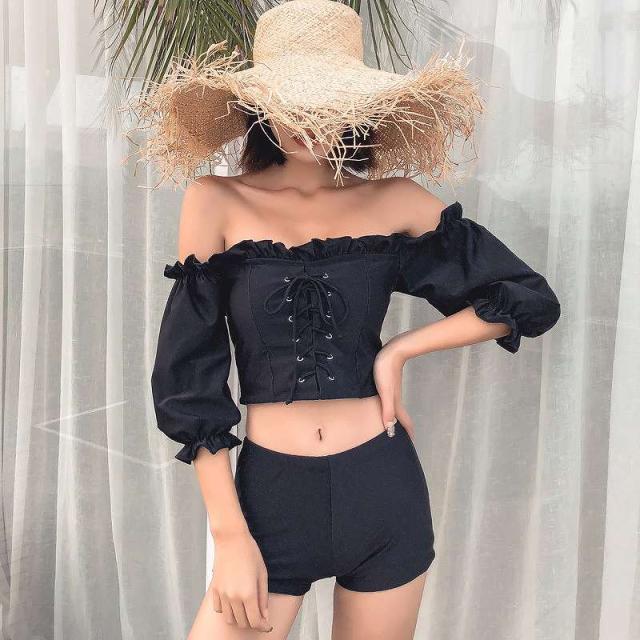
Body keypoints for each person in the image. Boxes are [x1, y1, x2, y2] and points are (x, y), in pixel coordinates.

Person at [127, 1, 561, 638]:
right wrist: (229, 535)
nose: (310, 121)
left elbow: (528, 299)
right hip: (272, 497)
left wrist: (399, 351)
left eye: (329, 101)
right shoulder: (214, 200)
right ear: (259, 106)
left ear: (360, 107)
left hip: (383, 488)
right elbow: (189, 375)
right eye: (293, 101)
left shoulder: (396, 199)